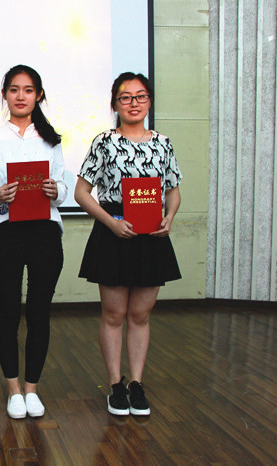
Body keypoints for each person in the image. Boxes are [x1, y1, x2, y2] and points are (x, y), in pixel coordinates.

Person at [74, 72, 182, 416]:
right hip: (114, 233)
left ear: (149, 100)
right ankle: (115, 385)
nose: (134, 103)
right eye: (125, 97)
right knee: (114, 314)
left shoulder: (163, 143)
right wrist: (111, 223)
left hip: (152, 236)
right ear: (115, 104)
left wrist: (169, 217)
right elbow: (81, 193)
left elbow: (173, 191)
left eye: (140, 96)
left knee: (140, 314)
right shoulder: (104, 142)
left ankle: (137, 383)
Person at [0, 65, 67, 420]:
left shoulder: (51, 138)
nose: (20, 96)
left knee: (40, 313)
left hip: (45, 232)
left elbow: (62, 187)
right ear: (4, 95)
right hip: (7, 232)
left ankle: (32, 389)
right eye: (14, 90)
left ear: (38, 95)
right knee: (8, 312)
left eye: (28, 90)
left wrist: (56, 190)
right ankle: (13, 389)